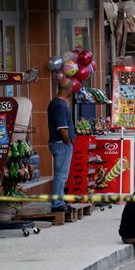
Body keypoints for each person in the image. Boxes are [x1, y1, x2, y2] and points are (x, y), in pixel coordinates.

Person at [47, 77, 75, 213]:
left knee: (62, 174)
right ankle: (57, 203)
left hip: (58, 143)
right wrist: (68, 142)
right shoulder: (59, 105)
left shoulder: (57, 103)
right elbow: (62, 128)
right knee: (61, 175)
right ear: (68, 89)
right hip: (61, 143)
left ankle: (60, 201)